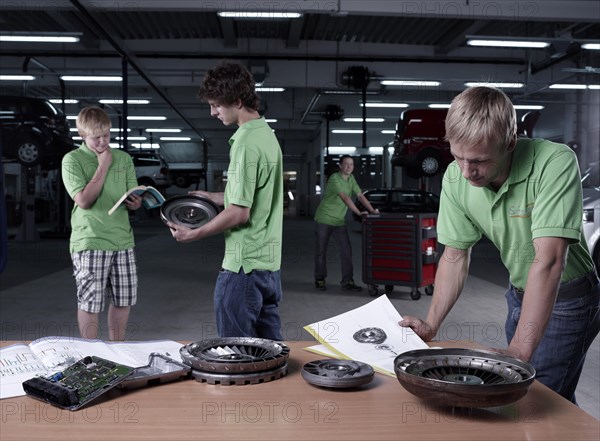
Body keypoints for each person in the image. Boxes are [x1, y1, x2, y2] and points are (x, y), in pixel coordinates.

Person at [399, 86, 600, 404]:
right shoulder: (455, 177)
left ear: (510, 142)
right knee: (535, 394)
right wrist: (431, 323)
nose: (467, 172)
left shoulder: (554, 163)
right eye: (458, 156)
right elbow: (454, 256)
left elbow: (548, 262)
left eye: (478, 161)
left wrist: (519, 350)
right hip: (518, 294)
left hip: (569, 297)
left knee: (538, 397)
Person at [166, 61, 284, 341]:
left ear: (237, 101)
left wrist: (194, 233)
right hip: (269, 267)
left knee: (237, 355)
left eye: (217, 105)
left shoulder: (245, 143)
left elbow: (240, 214)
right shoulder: (267, 136)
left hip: (242, 268)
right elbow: (256, 198)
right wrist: (214, 197)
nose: (212, 112)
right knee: (270, 353)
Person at [61, 106, 143, 341]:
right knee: (90, 303)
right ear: (82, 136)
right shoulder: (72, 160)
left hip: (123, 240)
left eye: (107, 135)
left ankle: (118, 349)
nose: (103, 141)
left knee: (123, 299)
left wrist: (135, 203)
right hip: (90, 240)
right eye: (96, 137)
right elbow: (84, 200)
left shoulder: (124, 158)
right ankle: (92, 353)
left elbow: (130, 194)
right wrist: (103, 164)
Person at [314, 155, 379, 291]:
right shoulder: (334, 178)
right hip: (324, 219)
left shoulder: (351, 179)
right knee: (321, 252)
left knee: (346, 252)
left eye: (352, 164)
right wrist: (358, 213)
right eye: (346, 164)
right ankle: (320, 279)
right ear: (340, 166)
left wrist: (372, 211)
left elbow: (360, 195)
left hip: (339, 222)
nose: (349, 167)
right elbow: (345, 198)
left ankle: (347, 281)